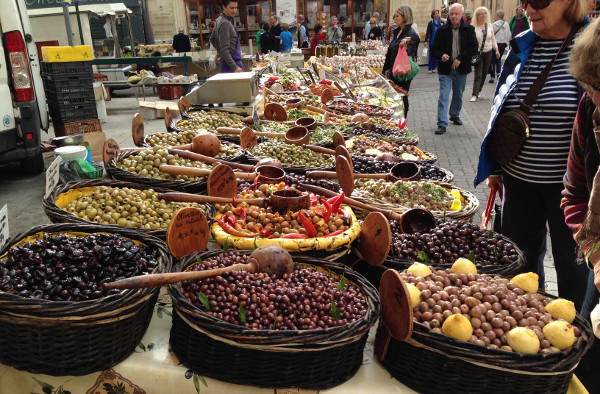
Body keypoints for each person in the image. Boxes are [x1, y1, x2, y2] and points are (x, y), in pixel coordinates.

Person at [475, 0, 591, 311]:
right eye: (524, 0)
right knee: (520, 268)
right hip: (518, 180)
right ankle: (526, 330)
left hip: (571, 191)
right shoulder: (523, 44)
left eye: (538, 0)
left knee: (573, 270)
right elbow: (502, 104)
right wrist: (496, 167)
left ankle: (573, 342)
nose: (528, 7)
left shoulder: (590, 46)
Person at [560, 16, 600, 390]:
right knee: (587, 355)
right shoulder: (589, 112)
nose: (591, 95)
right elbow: (572, 193)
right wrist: (594, 251)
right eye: (588, 86)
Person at [430, 3, 478, 135]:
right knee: (444, 95)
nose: (454, 16)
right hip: (446, 68)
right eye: (451, 14)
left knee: (458, 93)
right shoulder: (441, 30)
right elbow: (434, 49)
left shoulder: (469, 29)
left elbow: (473, 48)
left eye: (456, 14)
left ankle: (454, 114)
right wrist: (441, 55)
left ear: (462, 14)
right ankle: (442, 123)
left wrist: (460, 58)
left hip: (461, 68)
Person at [382, 6, 420, 119]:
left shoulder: (411, 34)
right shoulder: (398, 31)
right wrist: (385, 71)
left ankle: (402, 120)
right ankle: (396, 119)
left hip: (403, 72)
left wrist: (406, 45)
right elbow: (391, 51)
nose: (395, 18)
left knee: (402, 96)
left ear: (405, 17)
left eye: (397, 16)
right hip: (394, 70)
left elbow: (411, 52)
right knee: (394, 97)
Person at [469, 7, 500, 102]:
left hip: (489, 52)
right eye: (481, 14)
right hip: (478, 53)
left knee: (484, 73)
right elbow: (470, 42)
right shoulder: (473, 27)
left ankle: (479, 90)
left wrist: (497, 50)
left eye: (485, 13)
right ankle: (474, 94)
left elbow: (493, 39)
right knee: (478, 74)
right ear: (477, 16)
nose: (483, 15)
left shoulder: (489, 26)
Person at [210, 0, 243, 73]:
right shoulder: (225, 23)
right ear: (224, 7)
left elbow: (212, 39)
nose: (234, 11)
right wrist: (234, 67)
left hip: (228, 63)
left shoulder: (219, 19)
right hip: (232, 66)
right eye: (231, 8)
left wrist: (221, 52)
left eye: (236, 8)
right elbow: (224, 50)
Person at [488, 10, 510, 83]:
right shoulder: (506, 24)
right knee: (499, 59)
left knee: (492, 60)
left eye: (495, 15)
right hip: (503, 44)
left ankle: (492, 77)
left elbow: (490, 35)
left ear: (498, 16)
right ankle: (499, 73)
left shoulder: (494, 25)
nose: (494, 16)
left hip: (495, 44)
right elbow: (509, 35)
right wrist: (506, 42)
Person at [425, 9, 442, 74]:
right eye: (436, 13)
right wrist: (426, 40)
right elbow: (428, 32)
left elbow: (443, 30)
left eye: (438, 13)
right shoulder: (430, 23)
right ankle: (430, 68)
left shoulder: (440, 21)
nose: (437, 14)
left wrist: (442, 25)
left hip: (438, 40)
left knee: (436, 54)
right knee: (431, 54)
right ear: (433, 15)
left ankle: (434, 67)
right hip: (432, 40)